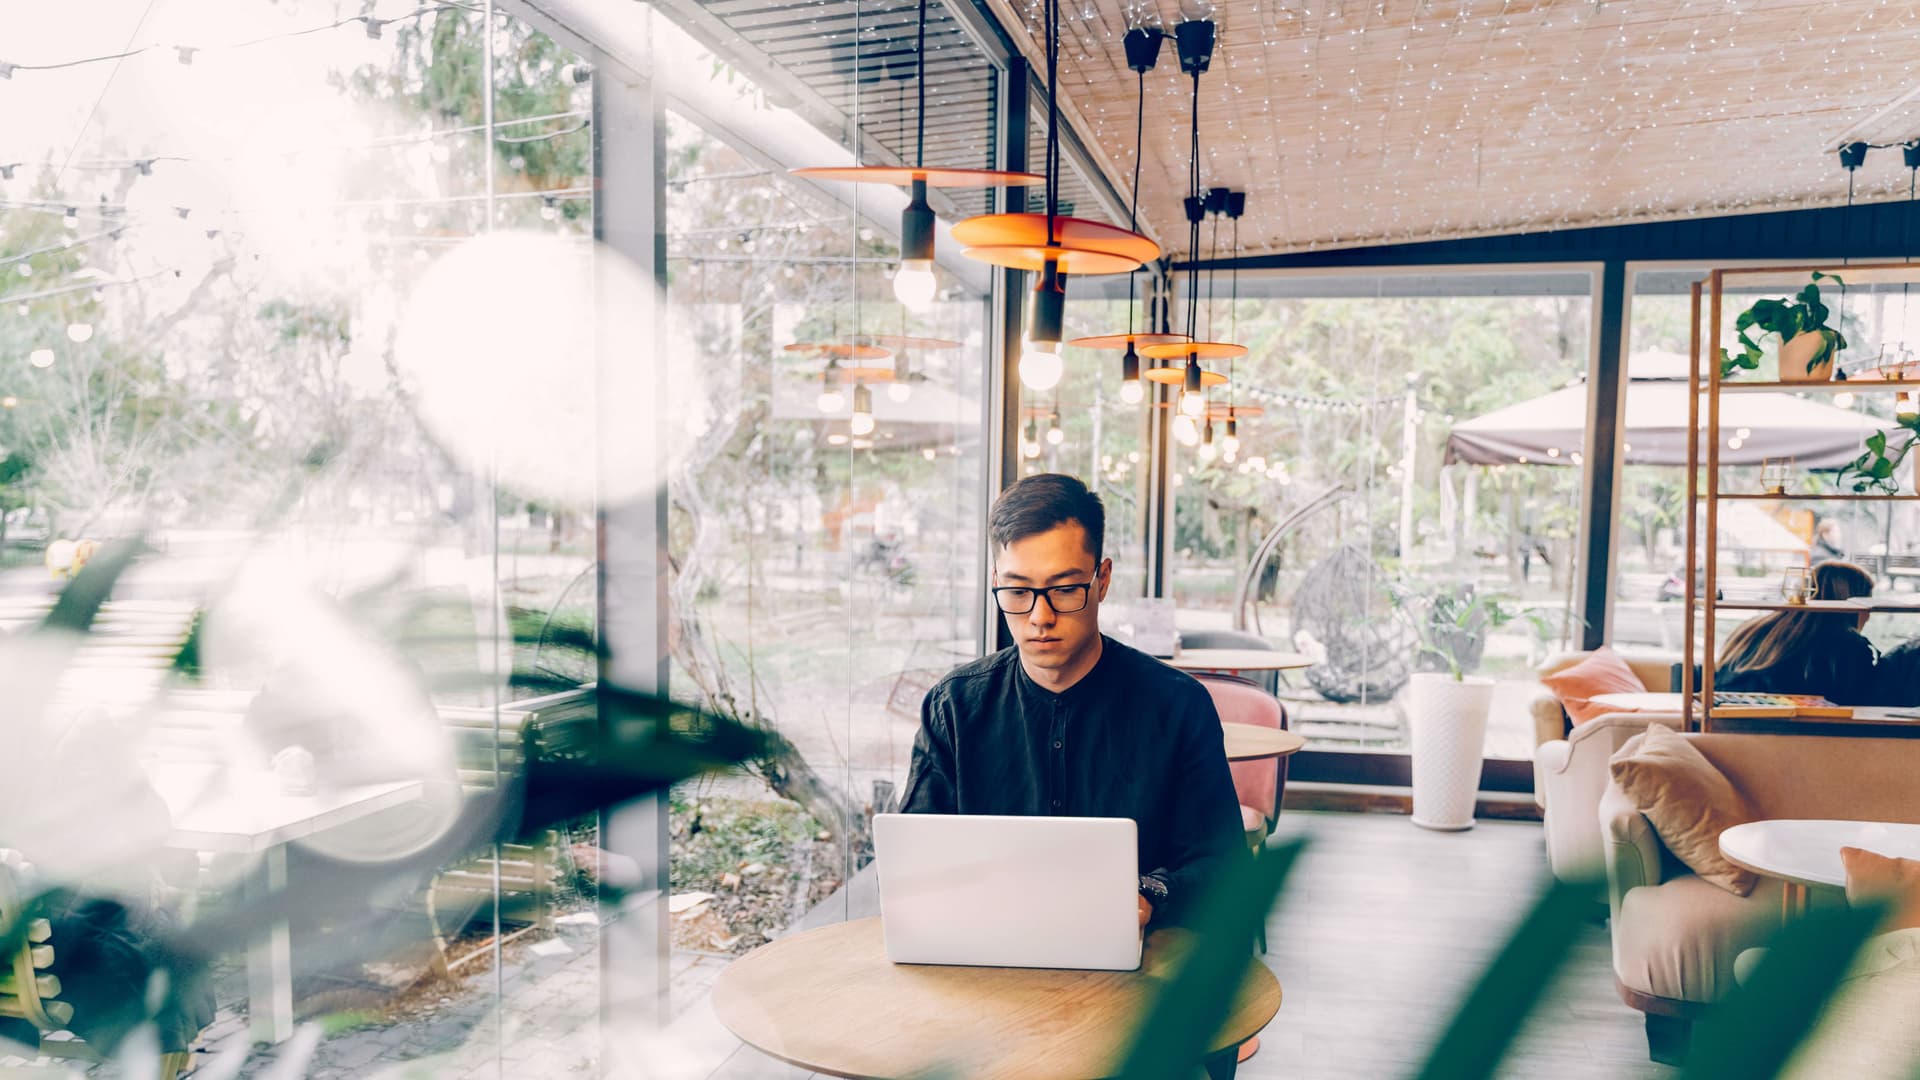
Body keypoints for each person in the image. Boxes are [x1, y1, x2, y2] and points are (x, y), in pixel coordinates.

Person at [901, 473, 1245, 933]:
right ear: (995, 580)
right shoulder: (956, 708)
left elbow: (1221, 865)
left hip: (1139, 973)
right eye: (1018, 591)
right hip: (984, 961)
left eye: (1064, 590)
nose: (1040, 618)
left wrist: (1149, 895)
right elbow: (912, 862)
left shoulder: (1178, 707)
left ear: (1101, 580)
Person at [1714, 560, 1880, 704]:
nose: (1869, 615)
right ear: (1854, 604)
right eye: (1868, 603)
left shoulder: (1754, 629)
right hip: (1788, 732)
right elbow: (1856, 705)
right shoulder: (1848, 647)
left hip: (1726, 720)